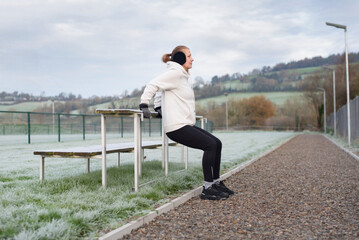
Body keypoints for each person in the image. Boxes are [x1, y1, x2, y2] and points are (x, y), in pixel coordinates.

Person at [139, 45, 234, 200]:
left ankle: (215, 183)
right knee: (210, 145)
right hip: (176, 127)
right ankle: (207, 187)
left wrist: (158, 105)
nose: (192, 59)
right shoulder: (174, 73)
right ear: (181, 59)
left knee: (217, 143)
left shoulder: (183, 76)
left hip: (184, 124)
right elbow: (153, 85)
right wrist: (144, 104)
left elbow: (161, 90)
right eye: (189, 56)